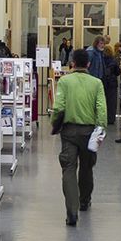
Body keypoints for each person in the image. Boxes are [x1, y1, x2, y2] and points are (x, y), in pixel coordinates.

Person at [51, 49, 107, 226]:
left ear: (72, 63)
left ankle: (72, 210)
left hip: (69, 132)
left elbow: (58, 107)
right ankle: (84, 201)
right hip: (90, 132)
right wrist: (100, 130)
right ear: (88, 64)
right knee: (87, 167)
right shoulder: (97, 83)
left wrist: (54, 124)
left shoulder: (65, 81)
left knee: (68, 168)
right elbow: (102, 109)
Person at [102, 44, 119, 125]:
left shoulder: (101, 60)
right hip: (112, 83)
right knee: (112, 102)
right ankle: (111, 118)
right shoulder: (114, 60)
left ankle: (103, 117)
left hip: (103, 82)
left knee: (103, 101)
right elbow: (118, 72)